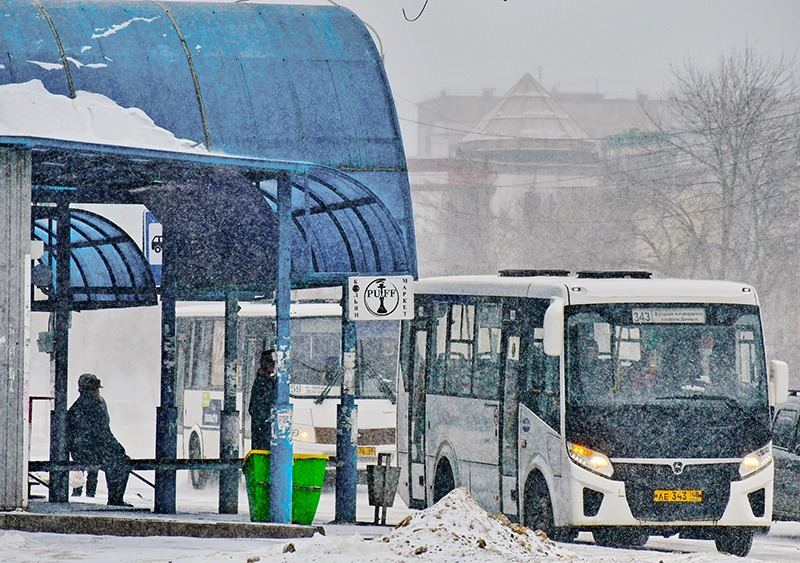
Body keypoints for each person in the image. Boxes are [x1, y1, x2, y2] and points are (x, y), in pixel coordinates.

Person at [66, 373, 132, 507]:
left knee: (114, 460)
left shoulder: (75, 407)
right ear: (94, 389)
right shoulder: (97, 403)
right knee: (122, 462)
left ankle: (113, 498)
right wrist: (117, 448)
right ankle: (115, 499)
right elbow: (103, 432)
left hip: (79, 452)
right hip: (93, 451)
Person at [249, 350, 277, 451]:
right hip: (263, 432)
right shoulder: (264, 382)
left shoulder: (265, 381)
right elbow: (256, 408)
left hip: (262, 431)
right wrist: (266, 420)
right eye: (273, 365)